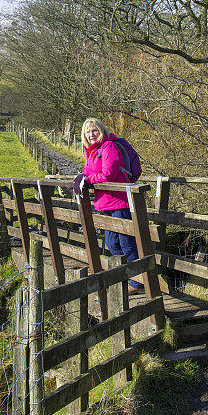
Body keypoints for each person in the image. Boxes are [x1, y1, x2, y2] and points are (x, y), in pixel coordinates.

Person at [80, 118, 143, 293]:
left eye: (94, 130)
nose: (91, 135)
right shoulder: (91, 151)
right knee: (112, 243)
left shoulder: (108, 146)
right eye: (88, 132)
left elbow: (109, 173)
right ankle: (124, 276)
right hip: (104, 203)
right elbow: (89, 173)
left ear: (100, 130)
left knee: (126, 243)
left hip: (119, 201)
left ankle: (136, 282)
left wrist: (88, 180)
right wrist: (81, 178)